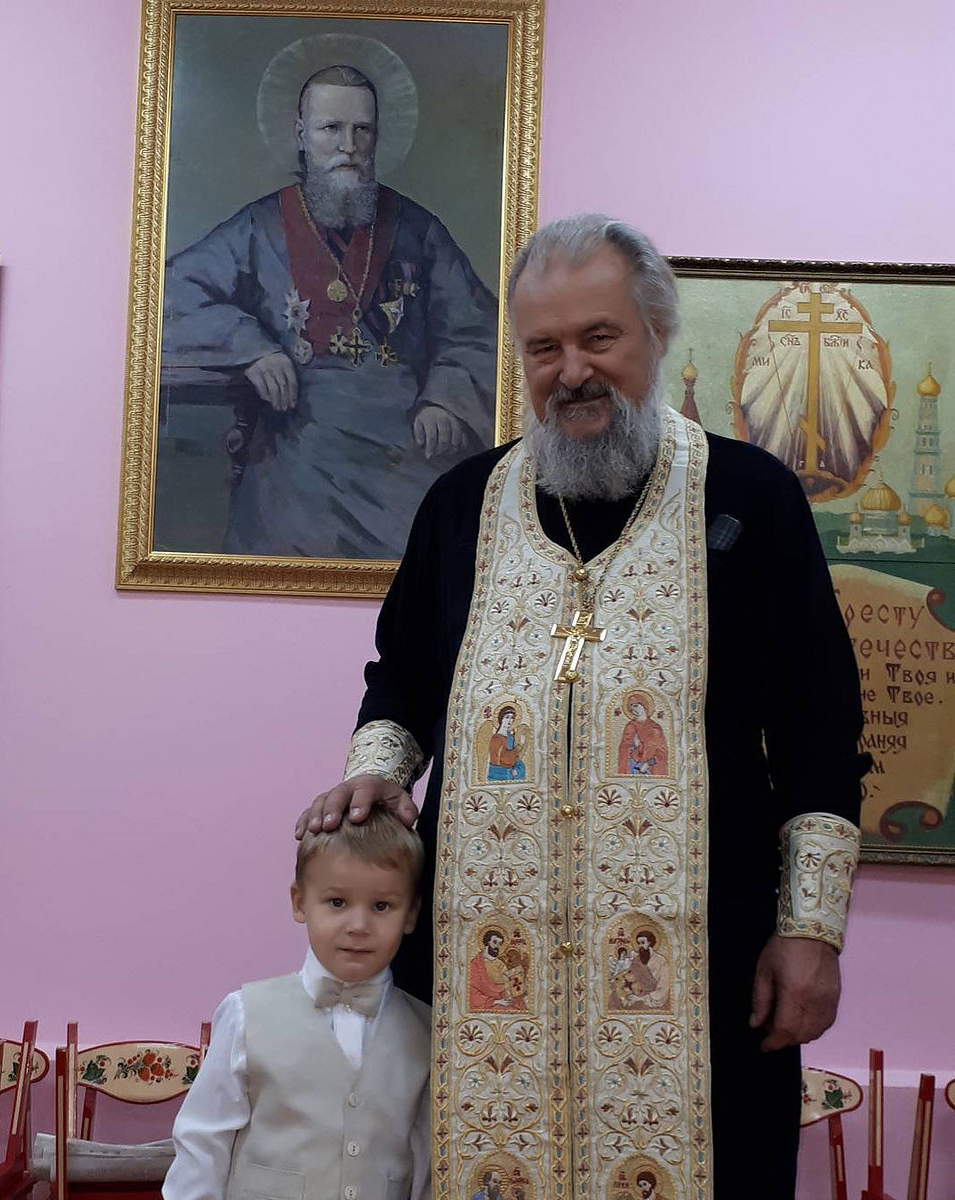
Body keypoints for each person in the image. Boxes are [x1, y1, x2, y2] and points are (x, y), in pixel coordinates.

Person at [298, 215, 869, 1197]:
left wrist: (811, 930)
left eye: (599, 338)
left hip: (706, 973)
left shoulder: (752, 499)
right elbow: (402, 678)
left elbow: (820, 729)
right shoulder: (461, 506)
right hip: (479, 978)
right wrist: (378, 771)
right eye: (544, 348)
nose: (572, 372)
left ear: (656, 331)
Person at [161, 42, 497, 559]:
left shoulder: (418, 229)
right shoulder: (258, 227)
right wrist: (252, 347)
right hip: (298, 451)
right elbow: (169, 291)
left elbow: (476, 326)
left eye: (363, 130)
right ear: (301, 135)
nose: (348, 146)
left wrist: (446, 400)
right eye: (331, 129)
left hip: (404, 451)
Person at [163, 810, 431, 1200]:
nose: (358, 926)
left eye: (381, 906)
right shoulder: (246, 1014)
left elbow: (427, 1165)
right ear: (300, 902)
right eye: (337, 902)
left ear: (411, 914)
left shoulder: (428, 1032)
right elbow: (202, 1144)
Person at [617, 693, 668, 776]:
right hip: (632, 766)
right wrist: (634, 746)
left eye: (636, 706)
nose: (635, 710)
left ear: (644, 705)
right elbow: (624, 749)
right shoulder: (630, 726)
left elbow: (661, 752)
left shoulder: (655, 728)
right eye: (631, 709)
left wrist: (647, 764)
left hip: (650, 767)